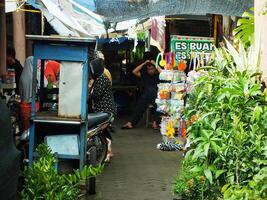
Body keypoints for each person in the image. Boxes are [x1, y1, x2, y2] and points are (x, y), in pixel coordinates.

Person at [122, 52, 161, 129]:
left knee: (158, 104)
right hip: (146, 97)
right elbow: (134, 71)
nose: (150, 71)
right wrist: (144, 63)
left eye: (152, 69)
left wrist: (156, 64)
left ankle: (155, 122)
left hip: (156, 96)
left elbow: (164, 72)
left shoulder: (158, 75)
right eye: (148, 69)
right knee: (139, 107)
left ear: (155, 69)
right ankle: (131, 123)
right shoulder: (145, 75)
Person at [88, 58, 117, 162]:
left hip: (106, 110)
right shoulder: (99, 78)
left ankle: (108, 154)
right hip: (101, 109)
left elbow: (96, 95)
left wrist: (88, 95)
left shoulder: (102, 78)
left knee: (105, 131)